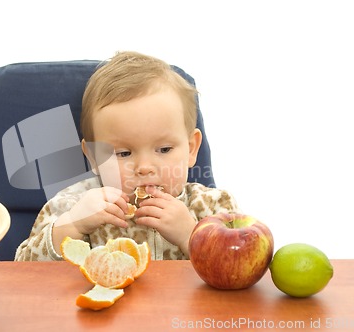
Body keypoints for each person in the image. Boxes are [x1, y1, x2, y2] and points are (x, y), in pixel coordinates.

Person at [15, 51, 239, 261]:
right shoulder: (72, 204)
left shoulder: (213, 207)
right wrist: (73, 226)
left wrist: (191, 235)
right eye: (123, 153)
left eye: (164, 150)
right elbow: (22, 268)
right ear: (94, 158)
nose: (144, 167)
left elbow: (239, 271)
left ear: (191, 149)